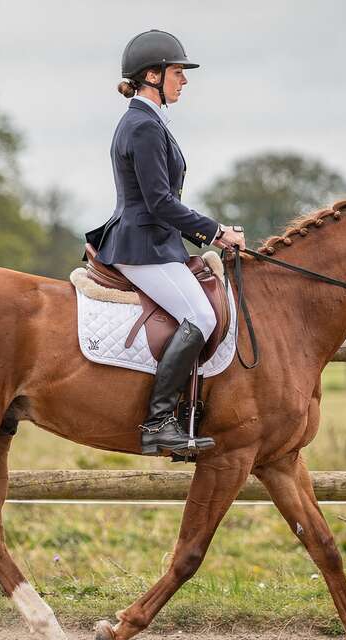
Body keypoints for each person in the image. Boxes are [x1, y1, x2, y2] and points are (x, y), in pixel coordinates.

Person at [85, 29, 247, 457]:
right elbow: (159, 203)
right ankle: (159, 421)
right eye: (178, 72)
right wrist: (216, 233)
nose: (184, 80)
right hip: (142, 246)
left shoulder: (148, 122)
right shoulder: (142, 126)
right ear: (151, 76)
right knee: (200, 314)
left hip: (153, 243)